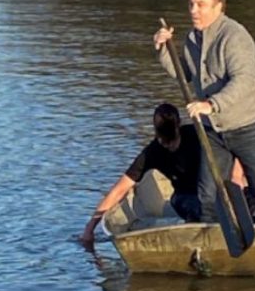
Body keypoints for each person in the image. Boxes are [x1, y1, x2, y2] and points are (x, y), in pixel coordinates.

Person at [152, 0, 255, 224]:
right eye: (191, 4)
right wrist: (163, 50)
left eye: (200, 5)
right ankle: (213, 238)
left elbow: (244, 80)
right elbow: (184, 74)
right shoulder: (192, 39)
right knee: (207, 195)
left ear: (218, 6)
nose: (193, 10)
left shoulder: (235, 36)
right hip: (214, 130)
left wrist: (211, 104)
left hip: (249, 126)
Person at [79, 103, 202, 243]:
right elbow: (119, 190)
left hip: (209, 191)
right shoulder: (152, 152)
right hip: (185, 197)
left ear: (179, 126)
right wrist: (90, 228)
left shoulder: (197, 135)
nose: (169, 146)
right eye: (164, 142)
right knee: (190, 204)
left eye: (173, 142)